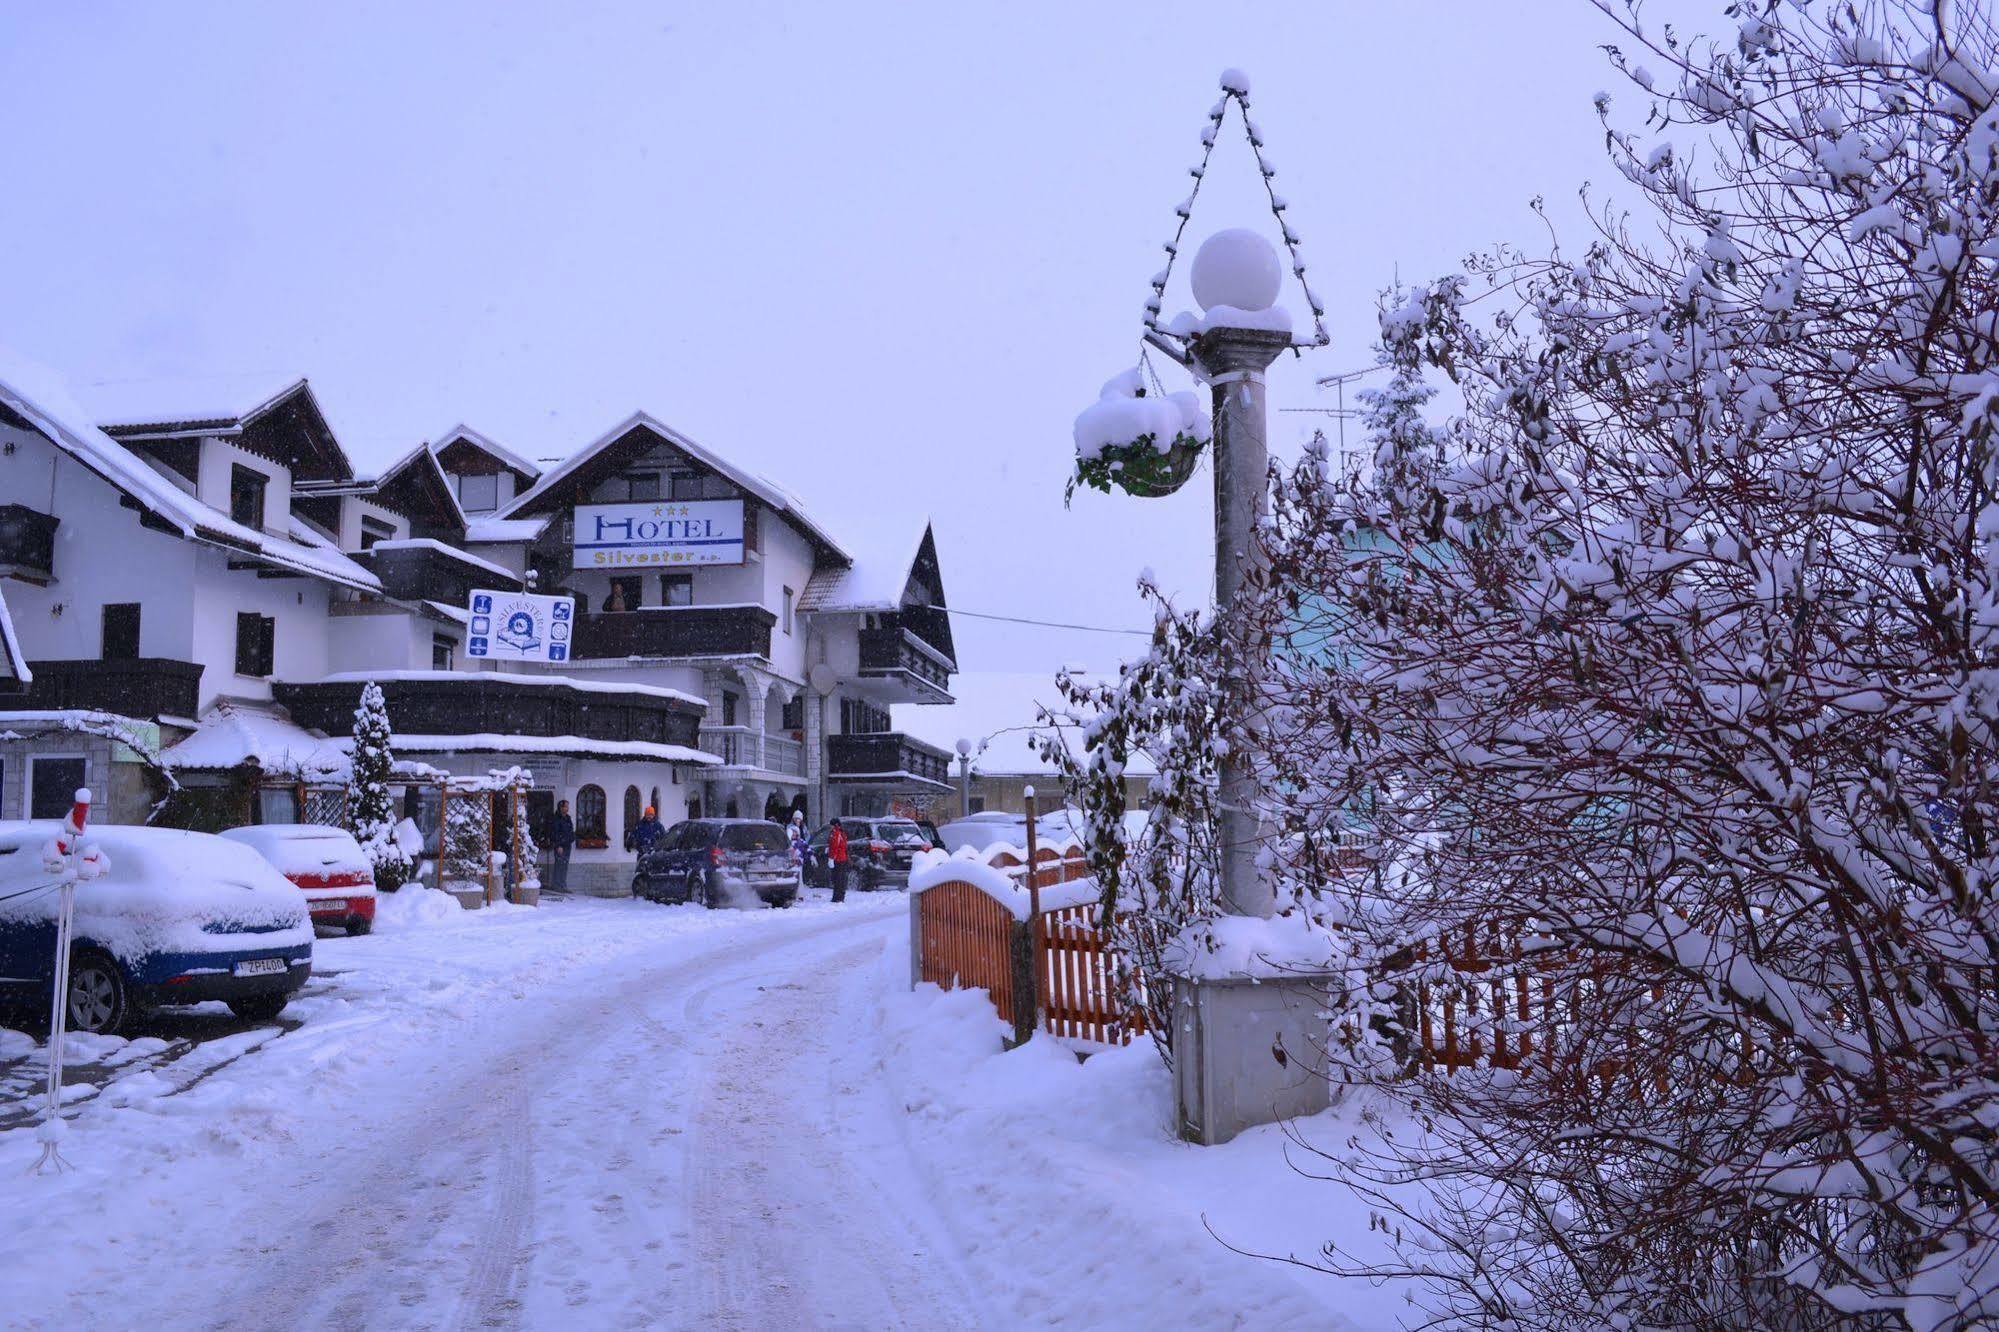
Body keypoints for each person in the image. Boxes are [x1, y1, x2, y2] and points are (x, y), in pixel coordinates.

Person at [549, 799, 575, 893]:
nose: (567, 808)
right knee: (559, 865)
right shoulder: (556, 818)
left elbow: (570, 830)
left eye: (568, 806)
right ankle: (557, 885)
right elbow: (555, 833)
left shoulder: (567, 818)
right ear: (561, 807)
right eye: (566, 806)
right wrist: (558, 845)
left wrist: (572, 837)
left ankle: (563, 885)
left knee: (564, 866)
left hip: (567, 845)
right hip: (560, 846)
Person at [827, 818, 849, 903]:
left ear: (835, 825)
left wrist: (831, 858)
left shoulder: (835, 833)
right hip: (842, 858)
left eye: (831, 825)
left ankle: (837, 898)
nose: (830, 827)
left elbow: (834, 847)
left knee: (837, 879)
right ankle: (840, 897)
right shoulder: (842, 833)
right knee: (841, 879)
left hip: (837, 859)